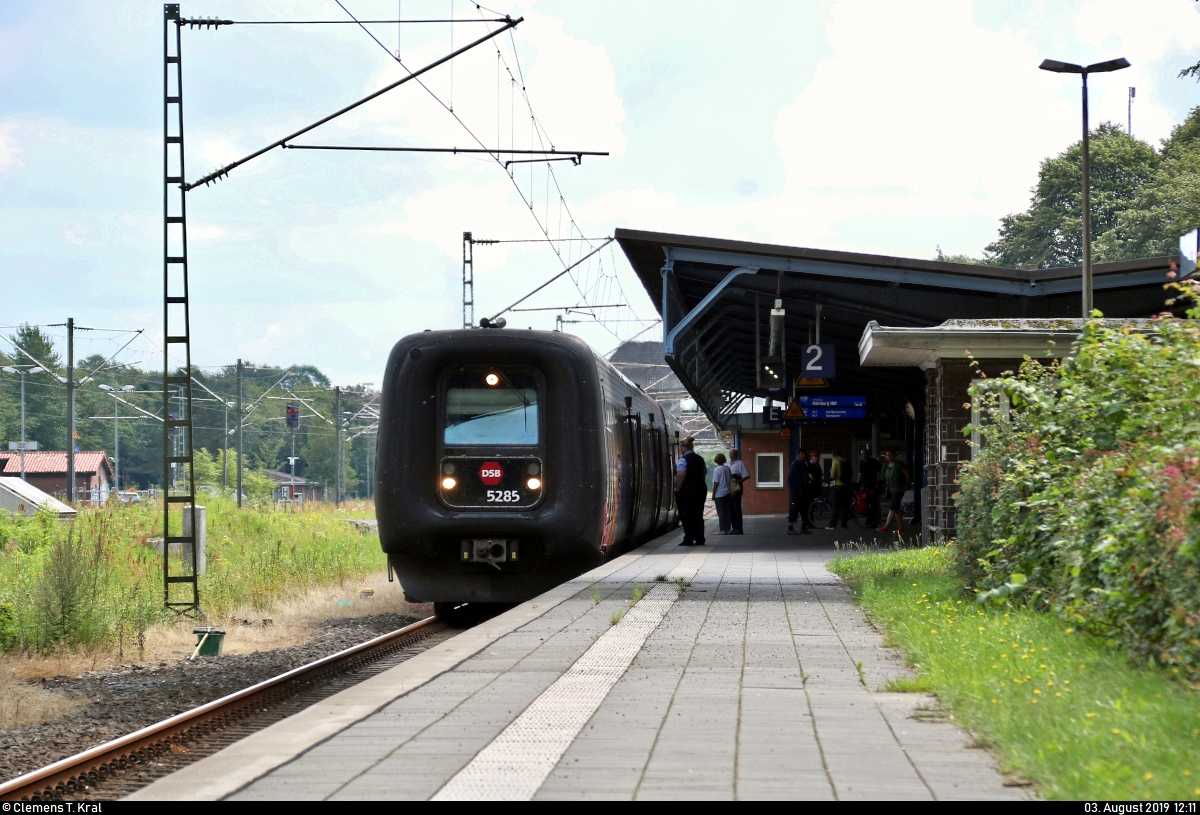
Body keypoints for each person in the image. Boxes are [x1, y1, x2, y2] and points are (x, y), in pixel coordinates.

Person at [675, 435, 708, 546]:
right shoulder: (700, 459)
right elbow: (704, 472)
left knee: (687, 515)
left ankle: (688, 538)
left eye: (680, 447)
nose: (680, 449)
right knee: (698, 514)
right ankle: (700, 538)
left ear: (684, 447)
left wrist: (678, 489)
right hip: (700, 490)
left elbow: (681, 475)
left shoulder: (683, 460)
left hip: (687, 492)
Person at [877, 448, 910, 534]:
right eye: (887, 455)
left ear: (894, 455)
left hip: (898, 489)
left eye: (890, 455)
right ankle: (901, 527)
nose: (888, 457)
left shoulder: (898, 465)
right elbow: (883, 478)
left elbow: (907, 476)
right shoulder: (886, 466)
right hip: (890, 490)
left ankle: (886, 526)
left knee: (892, 507)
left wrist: (905, 486)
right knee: (896, 509)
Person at [787, 449, 812, 535]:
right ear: (797, 455)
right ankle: (790, 528)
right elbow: (789, 479)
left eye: (804, 454)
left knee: (804, 510)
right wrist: (793, 490)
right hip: (796, 492)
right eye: (802, 454)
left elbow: (805, 476)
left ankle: (803, 527)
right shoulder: (794, 465)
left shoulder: (804, 464)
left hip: (804, 491)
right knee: (794, 509)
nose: (804, 456)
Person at [827, 450, 852, 529]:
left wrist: (829, 478)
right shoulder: (848, 462)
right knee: (845, 507)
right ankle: (844, 525)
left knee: (835, 506)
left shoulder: (836, 463)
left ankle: (832, 525)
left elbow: (833, 476)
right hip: (847, 487)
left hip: (838, 487)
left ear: (835, 455)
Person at [727, 448, 749, 535]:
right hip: (730, 486)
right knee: (731, 507)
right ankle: (734, 527)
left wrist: (738, 482)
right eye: (730, 454)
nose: (730, 455)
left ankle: (739, 528)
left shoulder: (740, 463)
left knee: (736, 507)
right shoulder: (728, 463)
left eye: (732, 454)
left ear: (736, 455)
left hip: (736, 487)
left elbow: (746, 475)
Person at [858, 448, 881, 523]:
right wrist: (858, 483)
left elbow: (878, 473)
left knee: (874, 502)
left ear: (868, 454)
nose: (863, 456)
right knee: (866, 502)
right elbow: (860, 474)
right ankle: (869, 518)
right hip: (865, 485)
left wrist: (877, 483)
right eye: (862, 454)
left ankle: (874, 519)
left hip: (873, 485)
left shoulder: (874, 462)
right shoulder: (862, 463)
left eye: (864, 454)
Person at [711, 452, 732, 534]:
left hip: (719, 494)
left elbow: (716, 483)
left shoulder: (717, 470)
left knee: (721, 512)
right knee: (727, 511)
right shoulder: (727, 469)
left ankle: (722, 529)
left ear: (716, 460)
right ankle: (728, 529)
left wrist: (713, 494)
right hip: (728, 492)